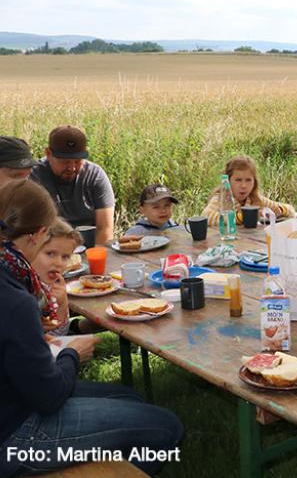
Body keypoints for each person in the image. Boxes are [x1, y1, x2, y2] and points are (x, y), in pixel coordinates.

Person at [0, 180, 183, 477]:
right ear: (38, 235)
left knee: (130, 398)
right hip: (15, 435)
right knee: (166, 427)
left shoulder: (11, 276)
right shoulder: (14, 298)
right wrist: (71, 354)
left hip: (15, 400)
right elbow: (48, 397)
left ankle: (101, 459)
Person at [30, 125, 115, 244]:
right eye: (65, 162)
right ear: (48, 153)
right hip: (50, 248)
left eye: (78, 161)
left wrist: (95, 258)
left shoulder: (95, 176)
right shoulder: (34, 177)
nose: (72, 168)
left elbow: (105, 229)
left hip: (90, 247)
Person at [202, 155, 295, 226]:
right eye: (238, 180)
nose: (243, 186)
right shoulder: (221, 198)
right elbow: (205, 216)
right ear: (228, 181)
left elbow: (291, 210)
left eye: (248, 180)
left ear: (254, 182)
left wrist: (281, 210)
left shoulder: (255, 199)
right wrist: (239, 218)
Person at [31, 218, 83, 336]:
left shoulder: (50, 286)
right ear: (30, 248)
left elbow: (58, 335)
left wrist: (62, 305)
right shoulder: (18, 285)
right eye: (50, 254)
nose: (59, 263)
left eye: (65, 257)